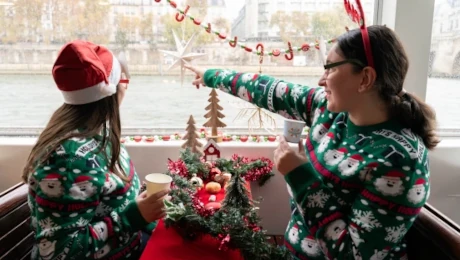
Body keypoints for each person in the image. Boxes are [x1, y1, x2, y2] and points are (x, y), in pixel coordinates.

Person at [185, 25, 438, 260]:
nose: (321, 79)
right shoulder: (330, 110)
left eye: (331, 68)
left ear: (365, 79)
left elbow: (351, 255)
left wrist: (300, 176)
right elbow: (269, 89)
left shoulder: (400, 160)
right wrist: (210, 76)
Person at [22, 40, 168, 260]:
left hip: (133, 244)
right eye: (124, 80)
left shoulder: (100, 135)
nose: (126, 86)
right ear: (110, 92)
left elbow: (111, 201)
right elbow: (58, 252)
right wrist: (133, 217)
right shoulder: (69, 160)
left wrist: (147, 210)